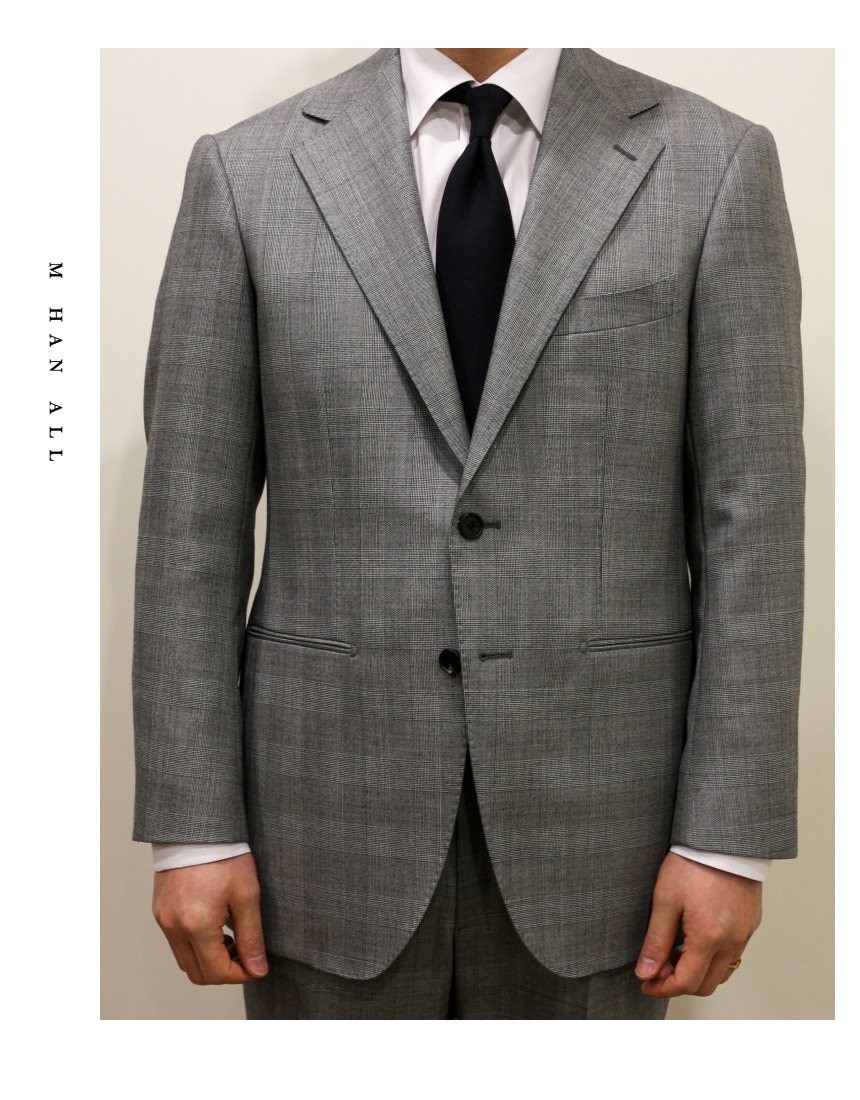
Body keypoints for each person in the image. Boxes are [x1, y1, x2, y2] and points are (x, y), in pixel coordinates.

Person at [132, 48, 804, 1019]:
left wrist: (726, 837)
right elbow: (189, 529)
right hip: (321, 830)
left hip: (605, 831)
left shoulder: (714, 163)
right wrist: (193, 828)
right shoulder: (247, 170)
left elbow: (754, 525)